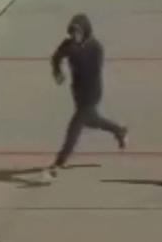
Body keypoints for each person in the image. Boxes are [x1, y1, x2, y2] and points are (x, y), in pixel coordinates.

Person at [47, 13, 128, 178]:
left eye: (77, 32)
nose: (73, 36)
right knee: (92, 121)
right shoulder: (69, 45)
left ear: (85, 31)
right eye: (71, 33)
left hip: (92, 91)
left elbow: (90, 70)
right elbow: (56, 57)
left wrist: (74, 52)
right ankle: (119, 130)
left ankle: (60, 161)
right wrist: (57, 71)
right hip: (77, 92)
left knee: (75, 126)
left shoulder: (95, 47)